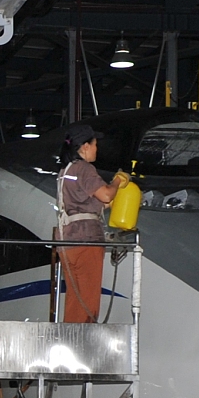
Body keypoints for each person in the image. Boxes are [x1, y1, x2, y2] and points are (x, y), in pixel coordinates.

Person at [55, 125, 130, 322]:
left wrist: (113, 200)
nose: (97, 149)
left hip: (68, 241)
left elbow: (91, 204)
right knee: (88, 301)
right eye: (95, 144)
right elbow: (105, 195)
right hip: (86, 241)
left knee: (75, 299)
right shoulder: (84, 168)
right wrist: (117, 181)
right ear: (85, 146)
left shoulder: (66, 171)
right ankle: (85, 336)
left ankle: (70, 335)